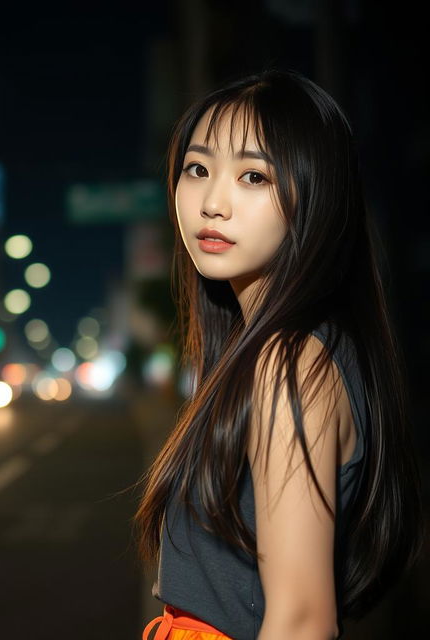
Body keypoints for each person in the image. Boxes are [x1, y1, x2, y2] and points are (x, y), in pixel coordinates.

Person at [133, 69, 424, 640]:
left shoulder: (289, 361)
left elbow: (302, 621)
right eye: (197, 169)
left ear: (316, 195)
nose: (212, 203)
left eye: (253, 176)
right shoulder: (282, 349)